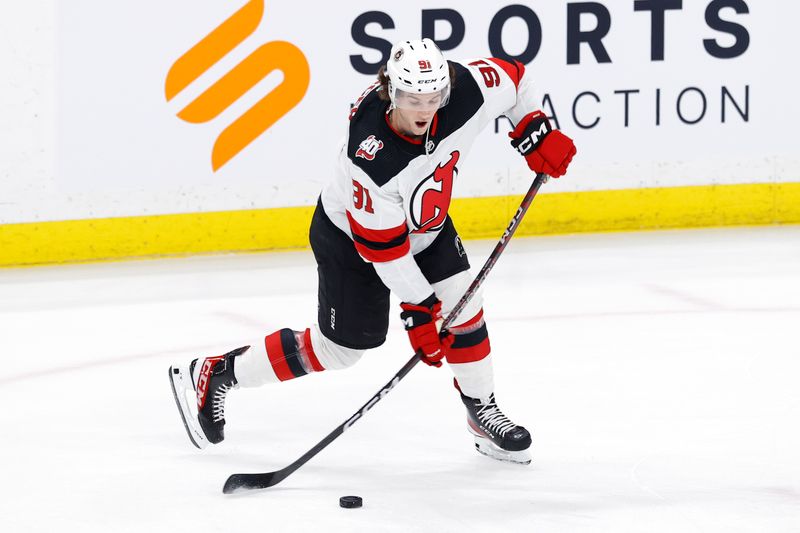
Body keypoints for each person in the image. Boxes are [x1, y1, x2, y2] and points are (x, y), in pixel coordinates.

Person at [169, 38, 576, 465]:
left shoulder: (467, 89)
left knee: (465, 306)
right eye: (413, 99)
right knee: (342, 350)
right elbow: (384, 251)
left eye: (434, 97)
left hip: (426, 227)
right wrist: (420, 308)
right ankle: (218, 373)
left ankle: (481, 411)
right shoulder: (372, 153)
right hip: (353, 241)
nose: (425, 110)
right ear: (391, 91)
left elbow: (515, 77)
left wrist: (533, 126)